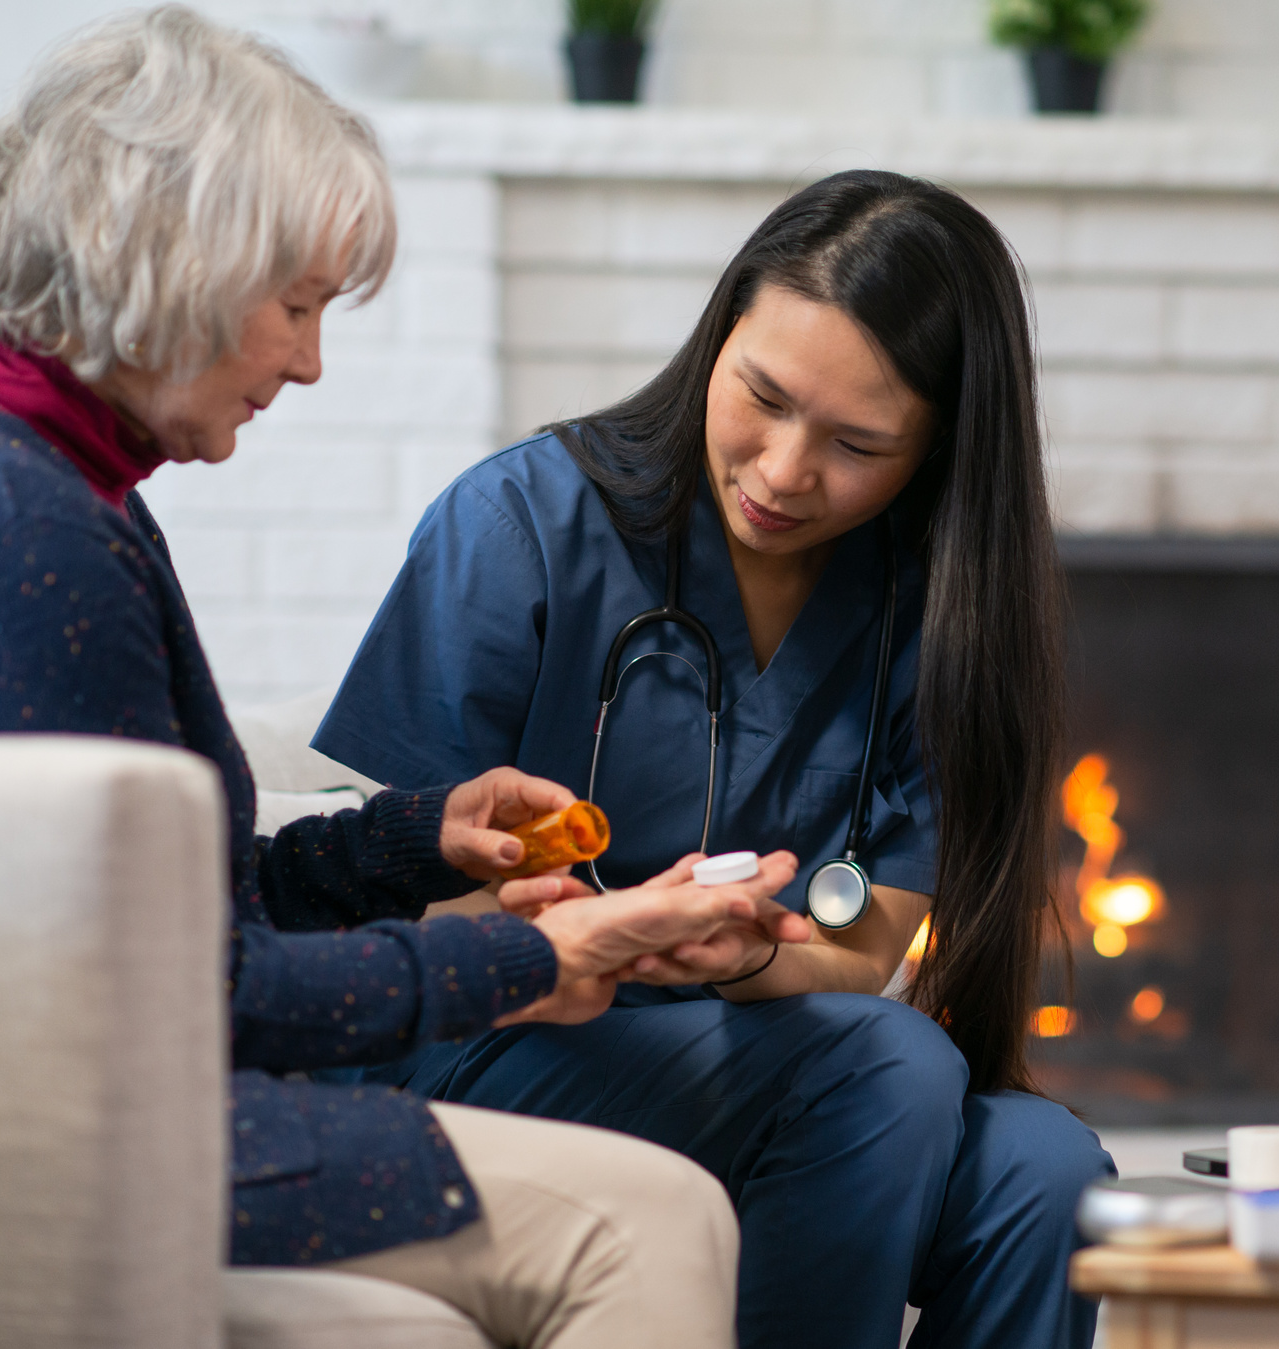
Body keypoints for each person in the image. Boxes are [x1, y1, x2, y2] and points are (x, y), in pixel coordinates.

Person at [0, 9, 812, 1346]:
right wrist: (526, 956)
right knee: (654, 1215)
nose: (307, 360)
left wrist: (417, 838)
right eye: (293, 304)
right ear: (170, 259)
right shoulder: (18, 539)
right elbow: (192, 994)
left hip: (118, 1092)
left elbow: (161, 909)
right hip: (97, 1141)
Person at [314, 169, 1116, 1349]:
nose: (787, 470)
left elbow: (868, 938)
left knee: (1046, 1168)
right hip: (492, 1040)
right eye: (763, 396)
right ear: (720, 330)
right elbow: (410, 894)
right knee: (887, 1062)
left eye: (856, 442)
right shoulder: (517, 526)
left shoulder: (930, 609)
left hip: (773, 1045)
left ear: (936, 453)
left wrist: (745, 958)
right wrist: (618, 929)